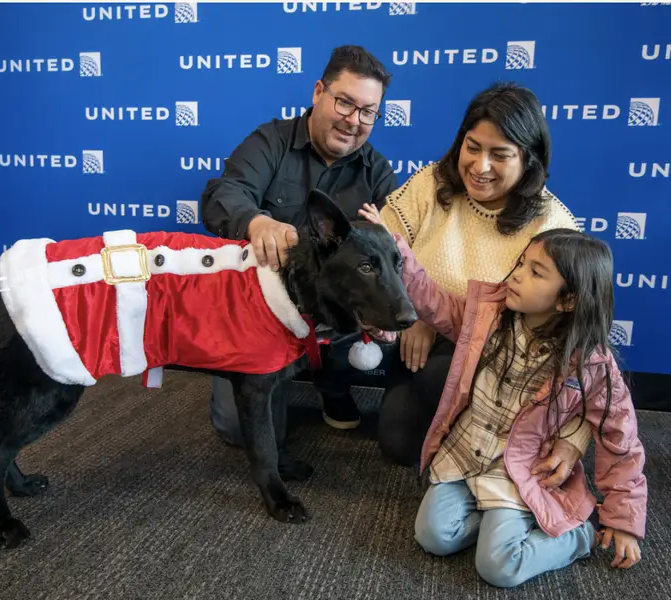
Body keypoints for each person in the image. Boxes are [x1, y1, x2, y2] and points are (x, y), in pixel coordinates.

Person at [393, 227, 647, 587]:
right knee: (433, 537)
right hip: (464, 455)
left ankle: (576, 537)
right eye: (521, 263)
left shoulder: (591, 363)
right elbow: (436, 304)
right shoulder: (487, 316)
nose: (516, 274)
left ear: (567, 300)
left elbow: (620, 440)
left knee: (500, 568)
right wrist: (401, 258)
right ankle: (506, 523)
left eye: (535, 272)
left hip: (518, 472)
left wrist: (623, 520)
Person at [360, 82, 582, 468]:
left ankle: (484, 449)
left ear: (528, 159)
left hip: (500, 359)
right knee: (397, 445)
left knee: (439, 377)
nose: (480, 167)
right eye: (473, 147)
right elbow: (384, 248)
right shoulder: (430, 183)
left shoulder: (554, 224)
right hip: (419, 342)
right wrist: (414, 313)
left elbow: (569, 337)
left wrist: (574, 438)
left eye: (500, 155)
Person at [200, 45, 399, 445]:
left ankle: (334, 385)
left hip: (333, 317)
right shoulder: (268, 142)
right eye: (345, 102)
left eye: (368, 112)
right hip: (259, 313)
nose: (353, 120)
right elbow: (225, 194)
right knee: (237, 431)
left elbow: (394, 253)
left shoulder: (377, 171)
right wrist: (256, 221)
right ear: (318, 92)